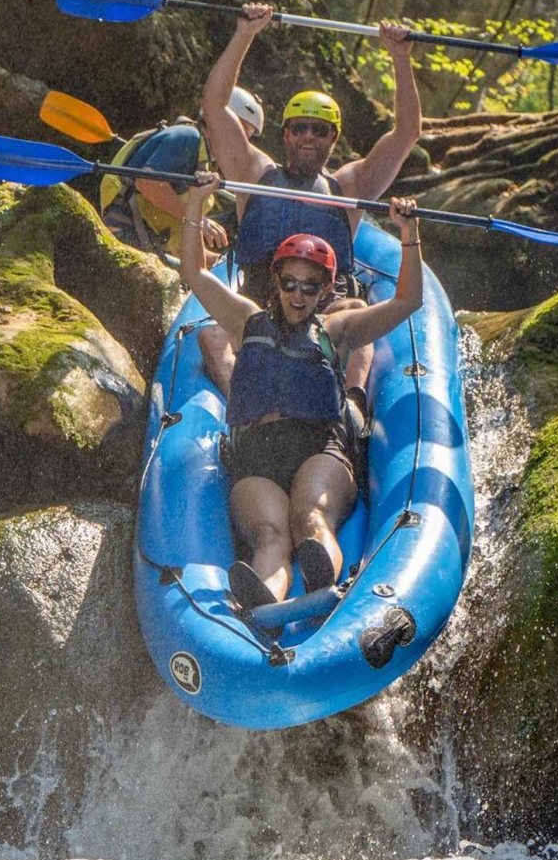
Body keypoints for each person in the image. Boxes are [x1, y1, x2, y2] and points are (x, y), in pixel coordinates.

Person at [179, 174, 425, 610]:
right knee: (270, 535)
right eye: (290, 282)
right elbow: (194, 273)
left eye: (310, 287)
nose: (298, 294)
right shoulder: (245, 320)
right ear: (275, 280)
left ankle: (324, 579)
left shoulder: (338, 329)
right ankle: (263, 603)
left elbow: (407, 301)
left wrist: (410, 234)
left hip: (318, 449)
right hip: (256, 455)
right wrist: (197, 201)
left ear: (326, 290)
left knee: (310, 519)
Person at [198, 3, 420, 399]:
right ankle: (243, 407)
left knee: (353, 313)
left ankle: (350, 407)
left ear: (333, 140)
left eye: (319, 130)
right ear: (284, 134)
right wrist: (244, 34)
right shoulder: (254, 173)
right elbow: (215, 106)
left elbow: (406, 134)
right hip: (261, 309)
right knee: (213, 337)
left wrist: (400, 58)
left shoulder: (350, 186)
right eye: (298, 128)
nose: (307, 137)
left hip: (323, 313)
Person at [98, 87, 265, 261]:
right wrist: (198, 220)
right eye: (241, 129)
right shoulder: (187, 137)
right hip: (123, 233)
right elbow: (147, 181)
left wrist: (228, 263)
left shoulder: (201, 162)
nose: (242, 142)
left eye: (248, 135)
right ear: (218, 120)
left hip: (144, 242)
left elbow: (188, 256)